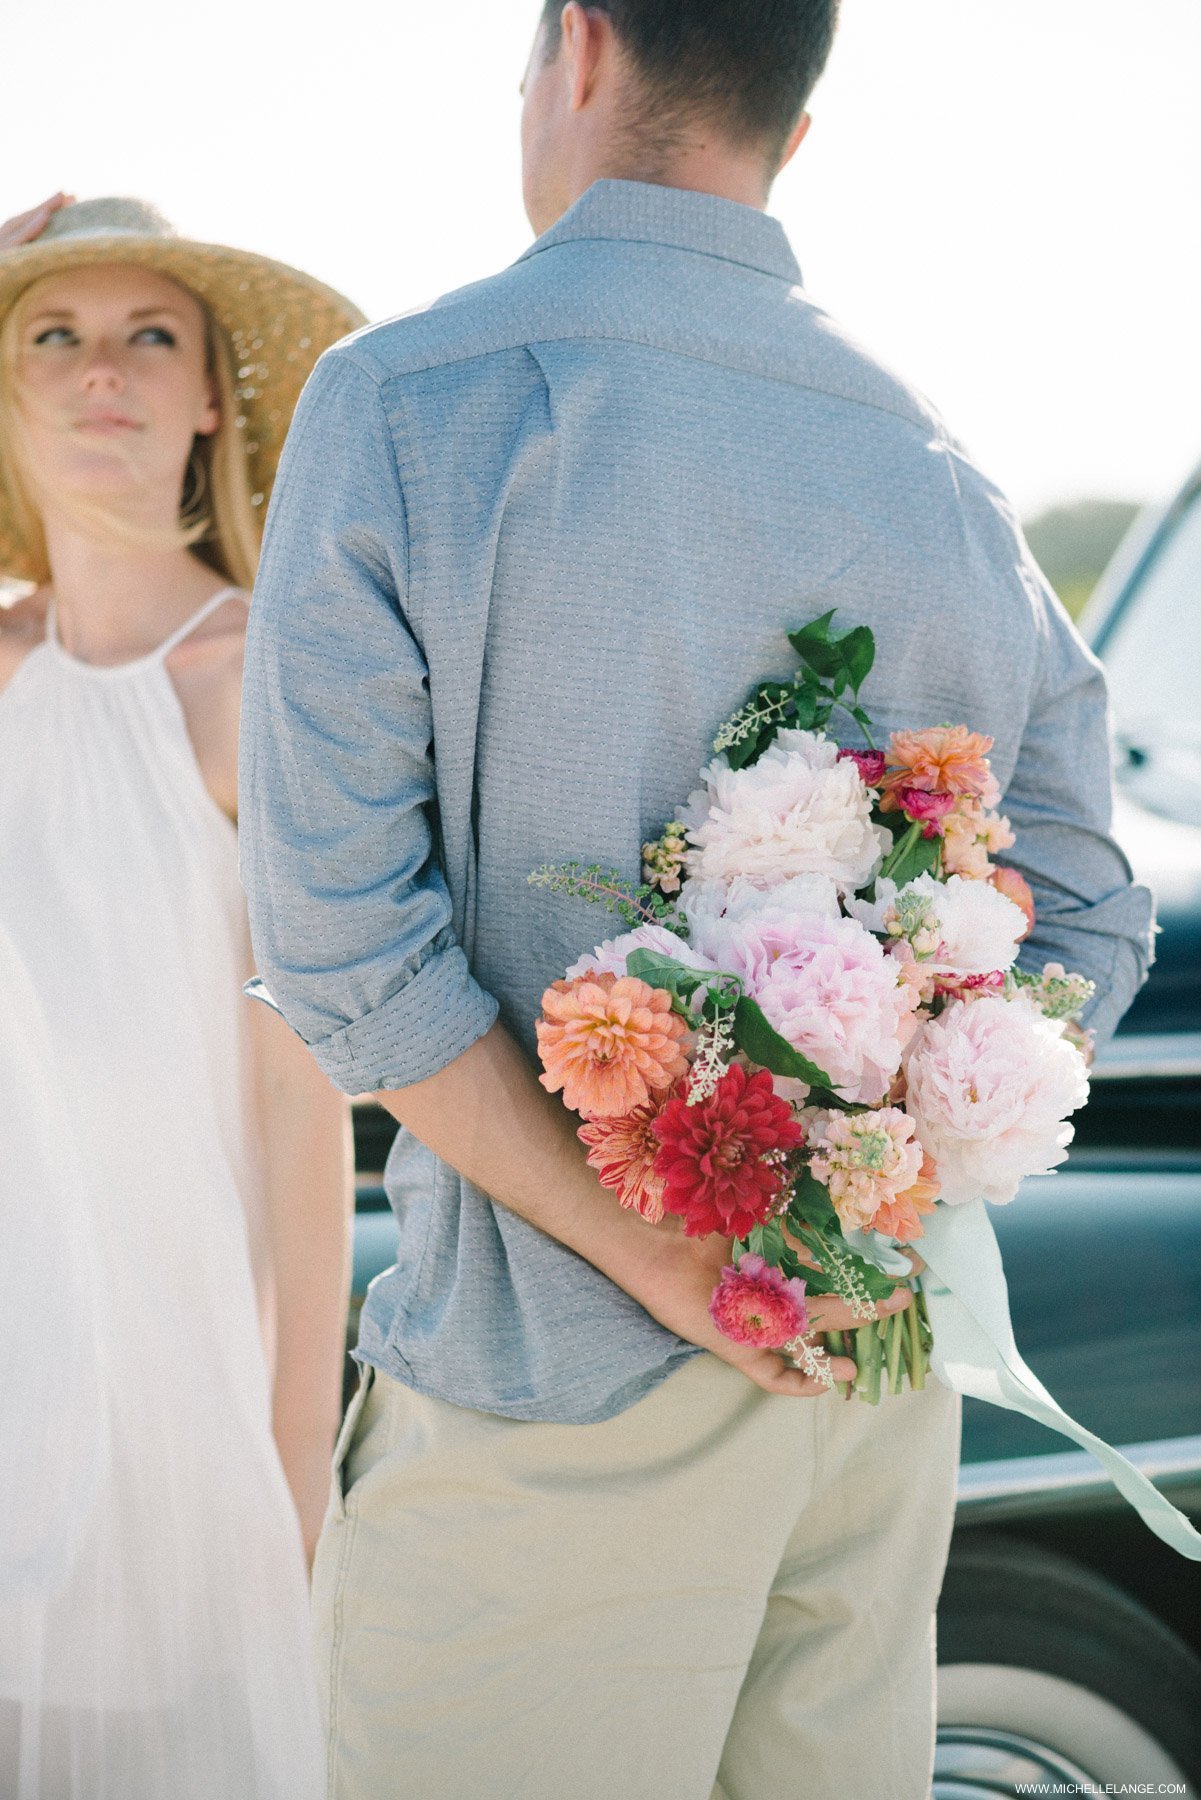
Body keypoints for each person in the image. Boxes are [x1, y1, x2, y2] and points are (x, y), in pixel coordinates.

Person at [241, 2, 1155, 1795]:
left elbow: (345, 954)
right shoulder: (937, 464)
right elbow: (1091, 911)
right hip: (868, 1393)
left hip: (547, 1390)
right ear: (790, 133)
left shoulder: (407, 399)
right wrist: (888, 1173)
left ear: (575, 50)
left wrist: (671, 1256)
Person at [0, 195, 363, 1799]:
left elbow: (305, 1103)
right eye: (50, 337)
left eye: (152, 336)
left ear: (215, 394)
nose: (103, 374)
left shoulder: (252, 682)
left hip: (175, 1376)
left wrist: (292, 1454)